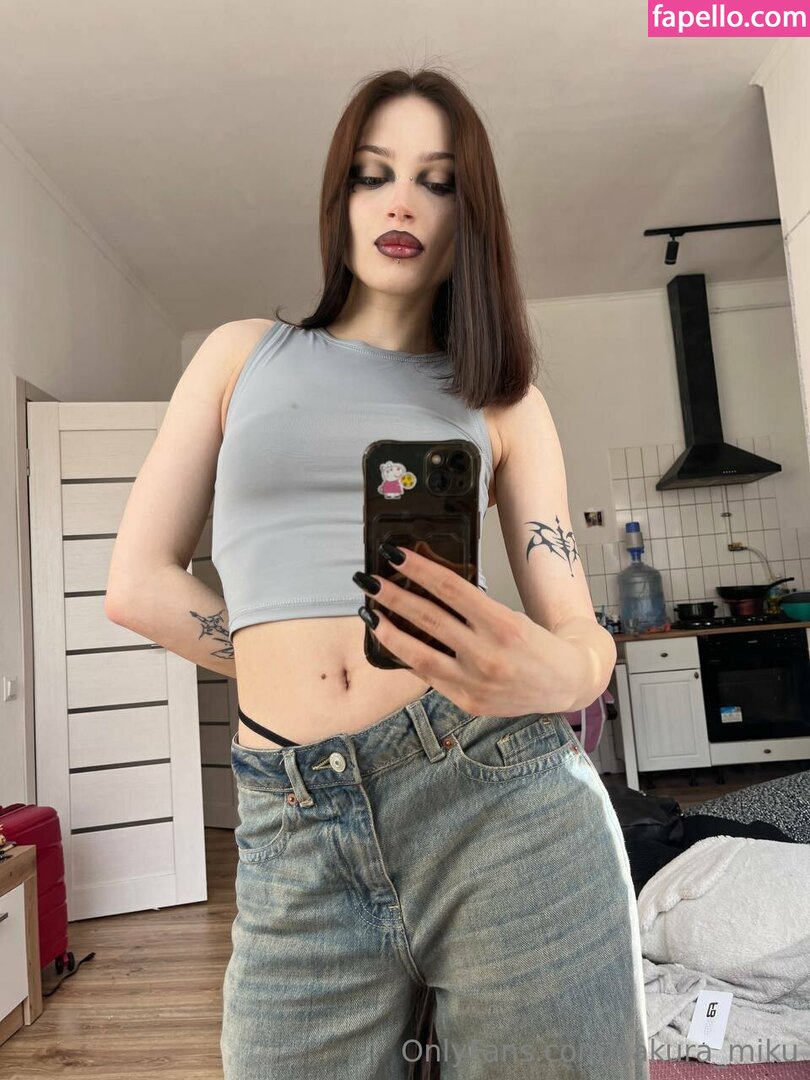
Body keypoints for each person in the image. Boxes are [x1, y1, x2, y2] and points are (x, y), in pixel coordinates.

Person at [106, 66, 649, 1080]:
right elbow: (137, 582)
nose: (402, 202)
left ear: (469, 218)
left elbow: (580, 629)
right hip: (291, 819)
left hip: (494, 791)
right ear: (340, 197)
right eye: (373, 173)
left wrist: (564, 673)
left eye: (437, 181)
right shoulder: (240, 356)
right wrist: (283, 669)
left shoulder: (504, 401)